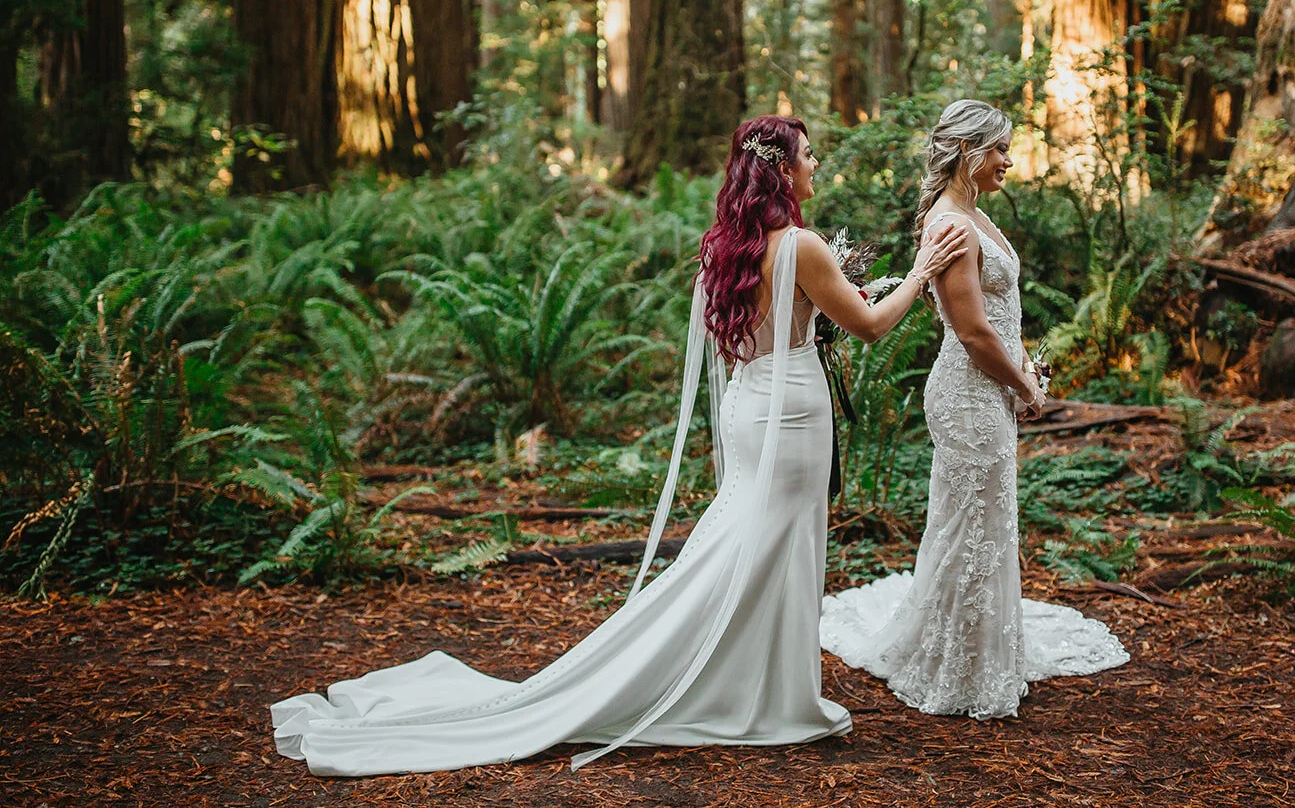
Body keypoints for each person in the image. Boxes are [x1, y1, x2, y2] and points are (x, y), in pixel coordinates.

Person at [270, 114, 967, 776]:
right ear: (783, 169)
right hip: (792, 418)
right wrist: (921, 270)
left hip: (752, 407)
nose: (817, 164)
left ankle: (760, 686)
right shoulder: (803, 246)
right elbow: (871, 325)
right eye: (809, 154)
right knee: (770, 548)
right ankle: (757, 693)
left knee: (748, 546)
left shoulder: (726, 246)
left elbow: (758, 337)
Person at [819, 99, 1129, 719]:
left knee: (984, 525)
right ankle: (957, 666)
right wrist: (1027, 387)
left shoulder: (972, 214)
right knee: (971, 527)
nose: (1009, 160)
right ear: (966, 151)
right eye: (999, 150)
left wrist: (1016, 377)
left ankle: (978, 646)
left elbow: (998, 322)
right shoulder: (950, 225)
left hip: (986, 389)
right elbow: (973, 332)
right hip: (968, 394)